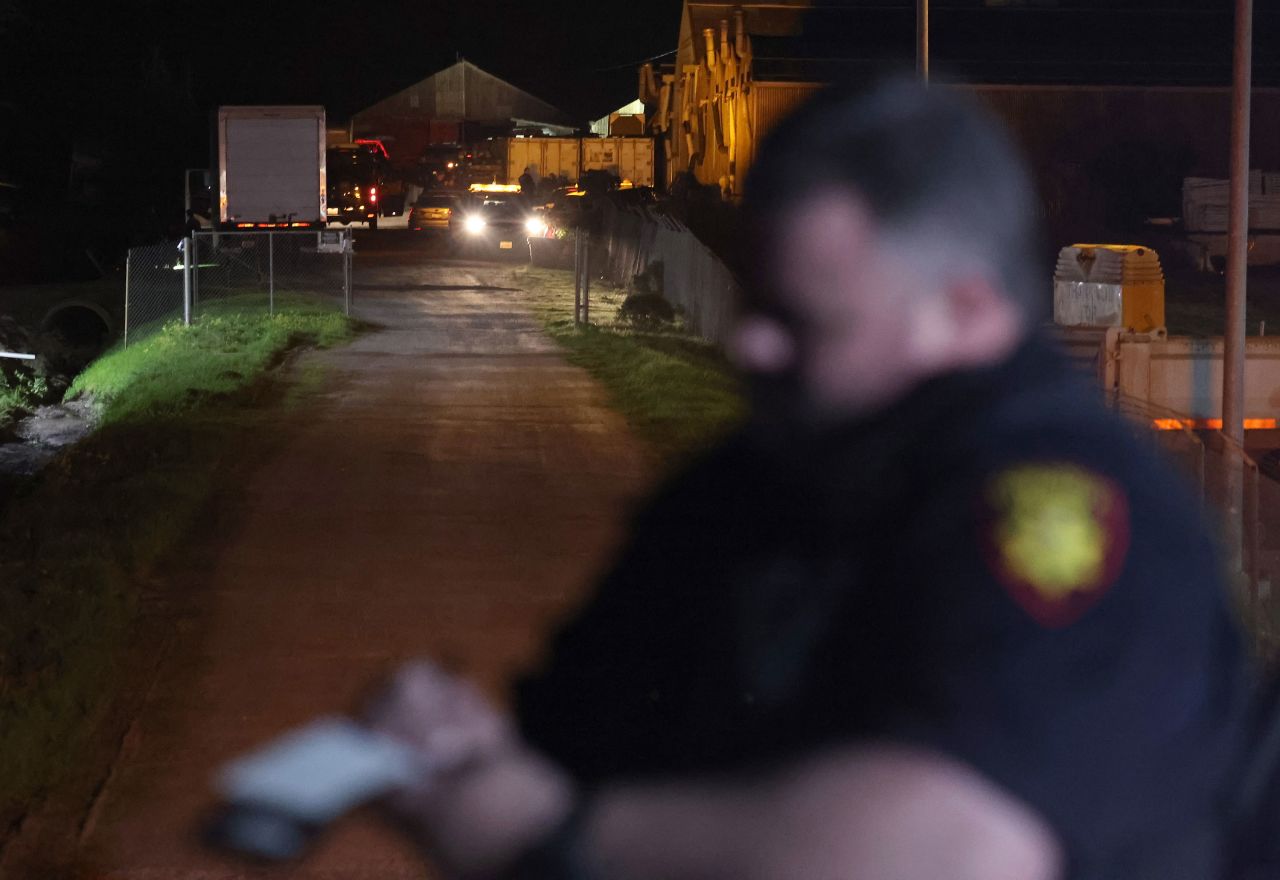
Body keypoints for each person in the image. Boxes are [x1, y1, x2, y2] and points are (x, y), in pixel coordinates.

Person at [363, 74, 1255, 880]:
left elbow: (955, 849)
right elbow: (596, 716)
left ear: (966, 313)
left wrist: (554, 832)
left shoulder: (1069, 511)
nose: (753, 344)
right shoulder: (746, 485)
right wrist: (482, 760)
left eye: (805, 320)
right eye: (758, 302)